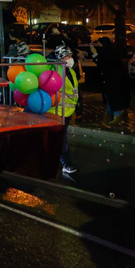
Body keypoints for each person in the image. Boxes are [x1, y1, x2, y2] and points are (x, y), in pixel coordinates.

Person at [51, 45, 78, 175]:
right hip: (57, 112)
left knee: (60, 138)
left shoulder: (71, 72)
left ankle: (56, 161)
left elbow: (74, 92)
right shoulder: (55, 72)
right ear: (61, 58)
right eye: (68, 56)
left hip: (67, 112)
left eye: (71, 56)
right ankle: (66, 163)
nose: (70, 59)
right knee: (62, 139)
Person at [92, 38, 130, 122]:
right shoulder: (105, 53)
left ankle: (117, 115)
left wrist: (95, 54)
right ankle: (110, 114)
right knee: (108, 96)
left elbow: (102, 62)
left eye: (100, 45)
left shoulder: (110, 54)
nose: (99, 47)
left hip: (113, 79)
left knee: (113, 96)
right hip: (107, 78)